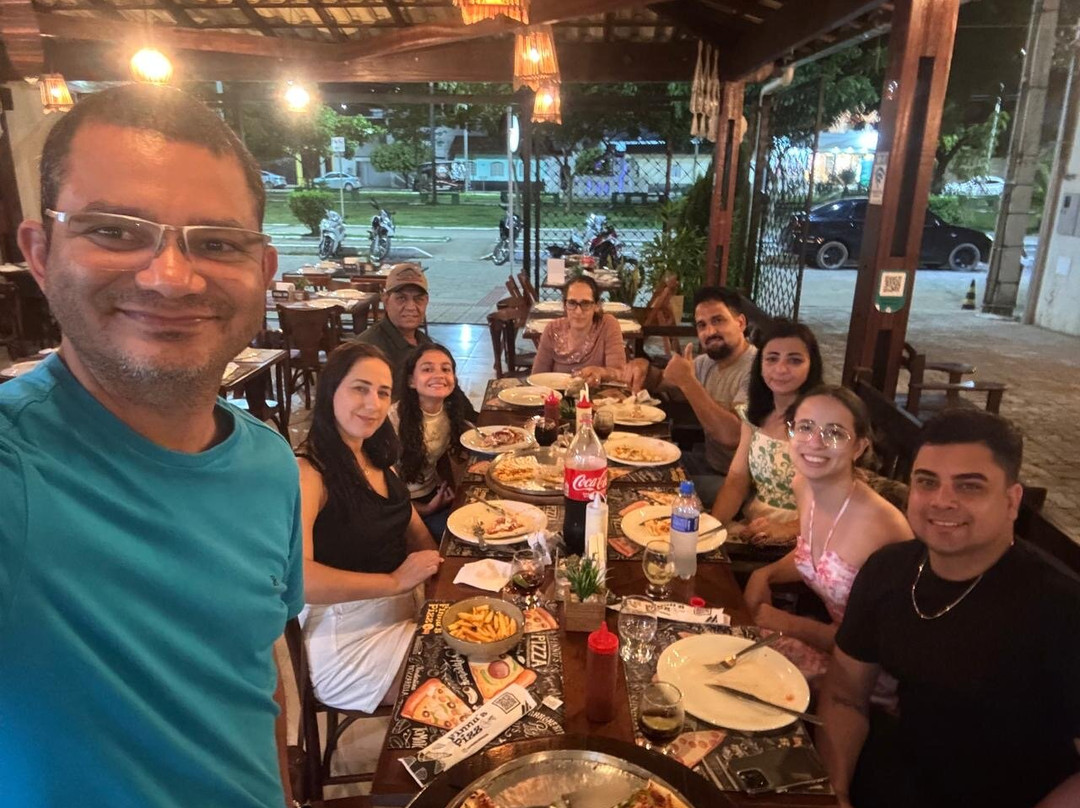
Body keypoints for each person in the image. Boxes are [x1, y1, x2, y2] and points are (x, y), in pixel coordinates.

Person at [1, 85, 302, 806]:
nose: (171, 277)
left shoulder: (270, 464)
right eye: (115, 231)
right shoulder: (15, 467)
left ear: (263, 273)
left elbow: (253, 677)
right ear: (41, 254)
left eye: (217, 242)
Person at [819, 410, 1080, 808]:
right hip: (898, 775)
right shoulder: (889, 570)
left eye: (969, 486)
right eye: (927, 482)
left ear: (1012, 501)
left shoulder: (1062, 608)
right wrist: (835, 794)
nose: (942, 501)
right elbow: (844, 696)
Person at [296, 342, 443, 712]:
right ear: (331, 391)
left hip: (401, 612)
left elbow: (410, 524)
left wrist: (441, 571)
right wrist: (394, 581)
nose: (373, 404)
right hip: (347, 640)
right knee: (466, 675)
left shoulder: (374, 454)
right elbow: (299, 578)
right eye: (360, 389)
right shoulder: (309, 471)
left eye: (383, 392)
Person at [743, 386, 912, 692]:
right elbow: (817, 557)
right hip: (823, 642)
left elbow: (887, 645)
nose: (815, 442)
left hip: (866, 680)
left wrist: (791, 624)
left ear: (859, 447)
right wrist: (765, 574)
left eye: (834, 432)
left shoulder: (884, 527)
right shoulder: (804, 485)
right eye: (805, 427)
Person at [623, 285, 756, 507]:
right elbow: (661, 380)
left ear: (740, 323)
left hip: (738, 483)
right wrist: (643, 367)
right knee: (636, 464)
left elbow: (732, 436)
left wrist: (688, 382)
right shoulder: (707, 363)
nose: (710, 331)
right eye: (702, 325)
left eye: (718, 320)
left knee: (650, 486)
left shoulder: (757, 370)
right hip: (707, 462)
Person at [711, 319, 824, 546]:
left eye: (795, 360)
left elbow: (836, 504)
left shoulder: (824, 422)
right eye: (772, 358)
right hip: (754, 529)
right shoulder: (754, 416)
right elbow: (736, 480)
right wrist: (711, 528)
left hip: (805, 538)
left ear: (811, 365)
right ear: (760, 364)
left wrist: (787, 529)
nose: (781, 369)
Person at [356, 262, 478, 421]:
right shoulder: (368, 350)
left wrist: (479, 423)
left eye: (418, 299)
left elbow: (454, 394)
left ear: (426, 301)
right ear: (386, 301)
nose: (411, 307)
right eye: (401, 298)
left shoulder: (423, 341)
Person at [389, 343, 471, 541]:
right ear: (411, 381)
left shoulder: (450, 413)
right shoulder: (392, 420)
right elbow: (384, 491)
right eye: (427, 369)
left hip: (434, 496)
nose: (439, 375)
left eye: (446, 369)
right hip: (402, 509)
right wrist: (426, 509)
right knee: (463, 536)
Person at [531, 274, 627, 386]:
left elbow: (620, 374)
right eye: (572, 303)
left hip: (598, 395)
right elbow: (536, 377)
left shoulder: (608, 325)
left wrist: (600, 372)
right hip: (557, 395)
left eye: (585, 303)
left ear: (596, 306)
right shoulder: (552, 330)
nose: (578, 311)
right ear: (565, 305)